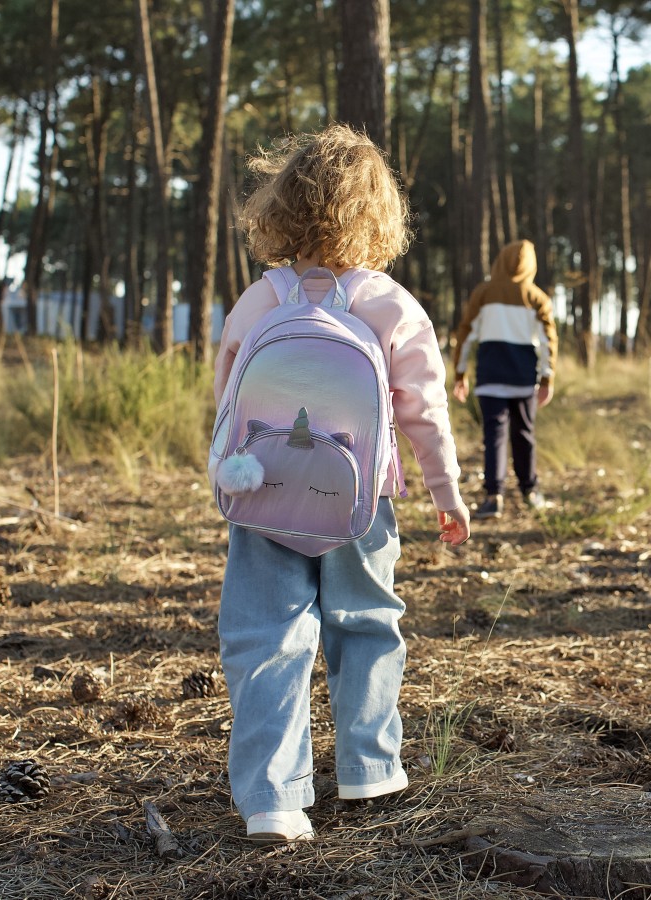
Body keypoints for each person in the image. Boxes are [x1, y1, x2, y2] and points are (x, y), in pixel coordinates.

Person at [212, 125, 470, 842]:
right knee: (365, 626)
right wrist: (445, 493)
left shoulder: (259, 301)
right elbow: (423, 409)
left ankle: (272, 799)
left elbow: (228, 404)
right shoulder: (389, 303)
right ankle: (369, 769)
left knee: (265, 638)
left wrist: (228, 479)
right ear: (378, 215)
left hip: (263, 497)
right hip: (361, 503)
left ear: (280, 209)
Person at [451, 240, 558, 519]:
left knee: (494, 437)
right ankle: (530, 492)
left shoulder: (483, 293)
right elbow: (549, 342)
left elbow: (465, 334)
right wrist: (547, 378)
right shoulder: (536, 298)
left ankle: (493, 497)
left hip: (490, 379)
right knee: (524, 435)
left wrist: (460, 374)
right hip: (523, 380)